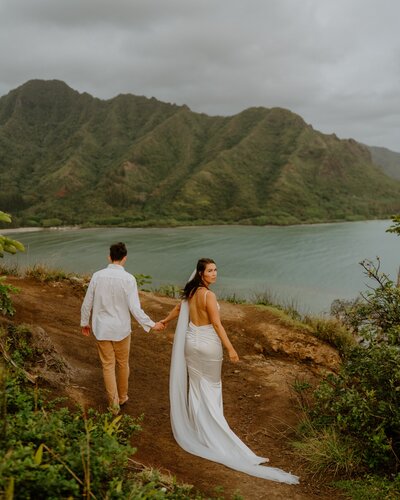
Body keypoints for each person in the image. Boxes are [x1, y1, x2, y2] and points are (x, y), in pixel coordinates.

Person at [160, 258, 299, 484]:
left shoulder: (191, 291)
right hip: (207, 345)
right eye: (211, 271)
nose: (215, 274)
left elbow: (179, 308)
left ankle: (199, 429)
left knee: (196, 386)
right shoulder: (209, 296)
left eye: (216, 270)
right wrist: (231, 348)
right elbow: (217, 325)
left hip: (190, 343)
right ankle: (216, 432)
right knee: (212, 386)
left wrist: (165, 321)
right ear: (201, 273)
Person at [80, 242, 164, 414]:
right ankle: (123, 396)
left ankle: (114, 404)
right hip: (121, 329)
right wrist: (151, 324)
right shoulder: (129, 279)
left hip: (102, 328)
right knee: (123, 363)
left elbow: (87, 302)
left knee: (108, 365)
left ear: (109, 257)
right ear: (125, 258)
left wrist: (84, 322)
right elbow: (134, 308)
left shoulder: (97, 276)